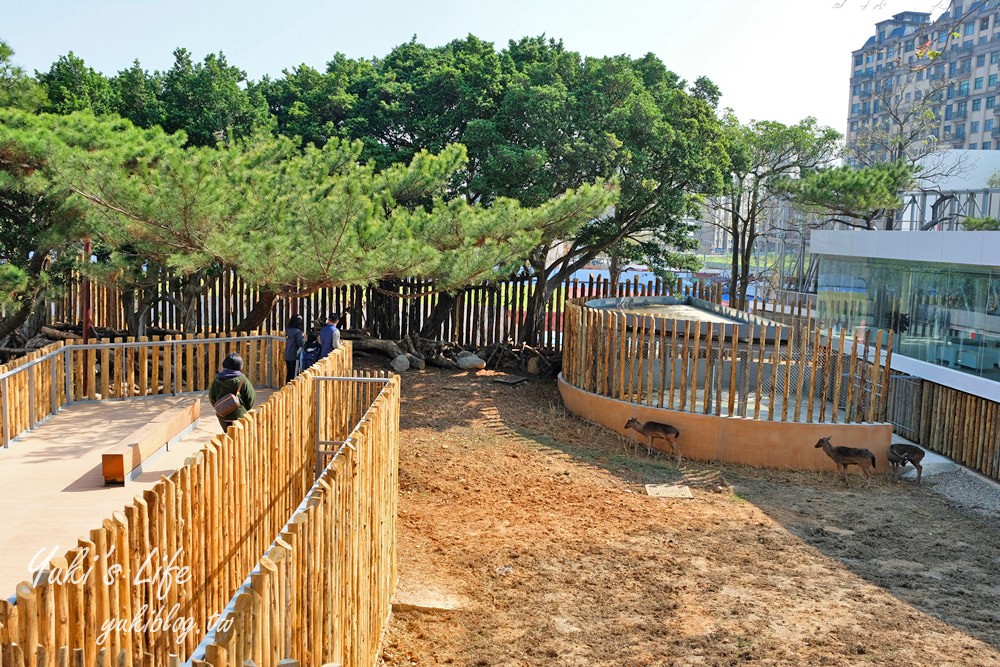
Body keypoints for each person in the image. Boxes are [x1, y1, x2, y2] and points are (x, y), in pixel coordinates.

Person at [208, 352, 256, 431]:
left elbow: (212, 397)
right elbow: (250, 398)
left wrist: (221, 407)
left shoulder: (217, 380)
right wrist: (244, 409)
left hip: (223, 416)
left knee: (228, 436)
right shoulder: (242, 380)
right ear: (240, 366)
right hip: (239, 415)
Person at [284, 314, 305, 382]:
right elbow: (301, 343)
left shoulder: (288, 330)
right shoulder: (298, 332)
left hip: (287, 354)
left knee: (289, 373)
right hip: (295, 355)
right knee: (294, 373)